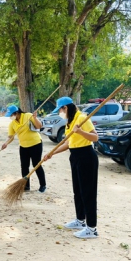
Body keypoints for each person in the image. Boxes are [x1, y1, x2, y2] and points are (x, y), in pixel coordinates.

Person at [43, 97, 99, 239]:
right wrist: (52, 153)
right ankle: (80, 220)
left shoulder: (82, 118)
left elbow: (95, 137)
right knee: (78, 191)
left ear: (66, 108)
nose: (60, 112)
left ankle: (92, 229)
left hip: (87, 156)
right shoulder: (70, 122)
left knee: (88, 193)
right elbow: (68, 143)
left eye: (60, 110)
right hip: (75, 156)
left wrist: (80, 132)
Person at [2, 105, 47, 193]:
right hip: (23, 146)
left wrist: (35, 118)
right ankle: (26, 186)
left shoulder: (28, 115)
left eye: (11, 115)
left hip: (36, 144)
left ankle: (43, 185)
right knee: (24, 167)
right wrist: (5, 143)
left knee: (36, 165)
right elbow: (11, 137)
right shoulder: (12, 124)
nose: (11, 117)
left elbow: (39, 126)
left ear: (16, 113)